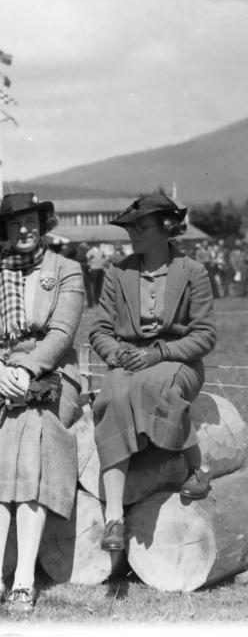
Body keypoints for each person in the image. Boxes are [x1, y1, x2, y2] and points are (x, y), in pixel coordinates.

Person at [0, 193, 84, 614]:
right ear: (4, 229)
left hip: (54, 375)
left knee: (34, 431)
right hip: (3, 373)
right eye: (15, 223)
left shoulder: (67, 270)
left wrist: (29, 369)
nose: (24, 229)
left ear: (43, 223)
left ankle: (23, 581)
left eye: (31, 220)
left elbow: (62, 333)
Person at [89, 193, 217, 552]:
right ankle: (114, 517)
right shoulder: (118, 272)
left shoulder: (193, 272)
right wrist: (117, 353)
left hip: (179, 362)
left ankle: (198, 469)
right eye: (130, 227)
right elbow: (99, 330)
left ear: (166, 227)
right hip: (129, 360)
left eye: (141, 226)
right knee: (112, 394)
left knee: (152, 383)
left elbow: (205, 335)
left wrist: (159, 352)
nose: (133, 233)